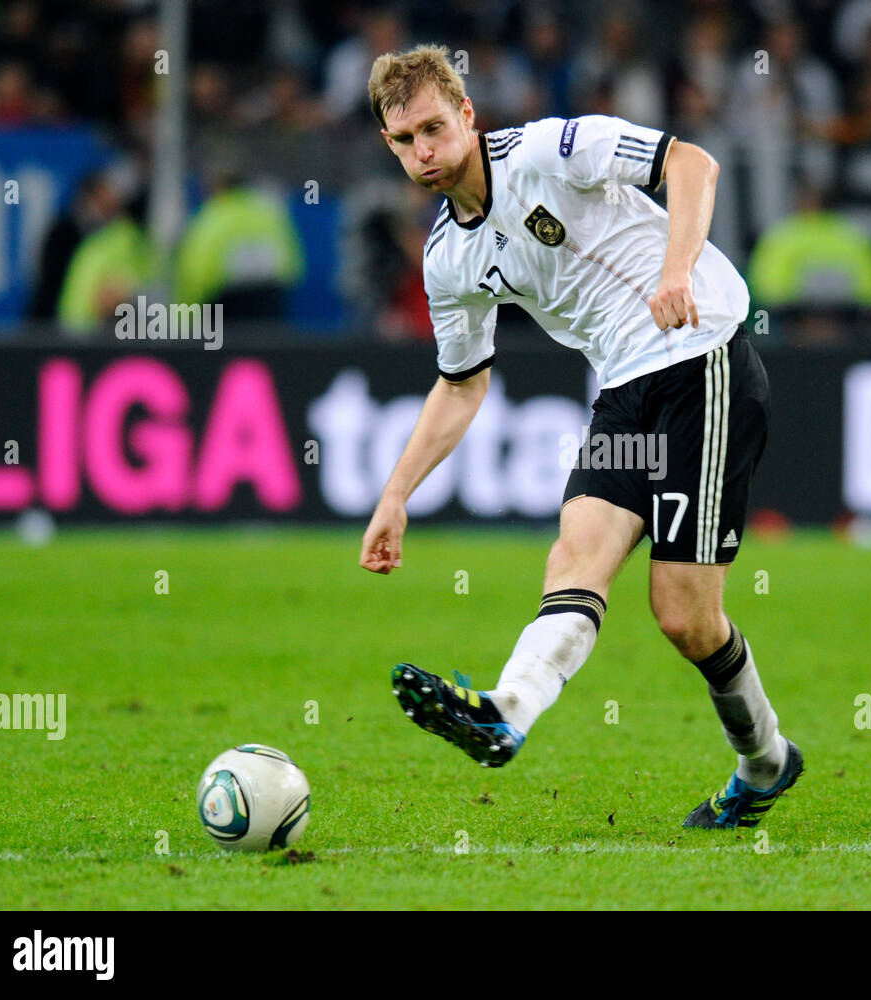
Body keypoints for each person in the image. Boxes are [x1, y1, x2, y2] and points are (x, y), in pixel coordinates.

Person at [358, 44, 801, 830]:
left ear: (467, 114)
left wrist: (677, 269)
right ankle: (506, 710)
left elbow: (692, 164)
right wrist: (396, 494)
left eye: (433, 128)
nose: (422, 152)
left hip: (705, 356)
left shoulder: (550, 149)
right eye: (403, 141)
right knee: (575, 557)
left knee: (683, 616)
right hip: (624, 391)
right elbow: (461, 383)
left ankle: (764, 760)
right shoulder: (448, 257)